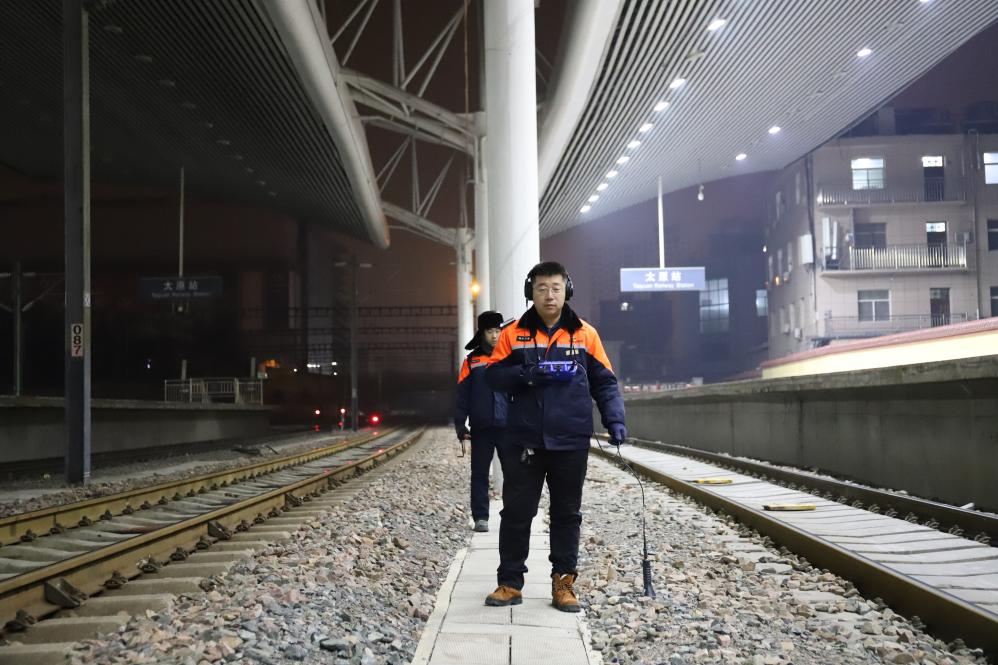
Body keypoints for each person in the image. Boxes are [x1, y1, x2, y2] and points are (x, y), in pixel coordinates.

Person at [483, 261, 626, 612]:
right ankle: (510, 583)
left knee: (567, 514)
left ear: (567, 291)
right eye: (542, 288)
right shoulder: (513, 334)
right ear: (531, 292)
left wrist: (615, 420)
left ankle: (564, 585)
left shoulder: (585, 335)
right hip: (524, 440)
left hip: (571, 440)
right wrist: (527, 374)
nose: (549, 295)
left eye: (556, 288)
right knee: (517, 513)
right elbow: (493, 377)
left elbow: (605, 383)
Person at [454, 311, 508, 532]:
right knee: (479, 474)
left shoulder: (509, 357)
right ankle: (480, 518)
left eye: (498, 330)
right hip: (481, 427)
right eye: (490, 331)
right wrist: (460, 425)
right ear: (482, 333)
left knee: (514, 473)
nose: (495, 335)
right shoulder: (471, 362)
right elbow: (462, 396)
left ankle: (512, 514)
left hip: (508, 426)